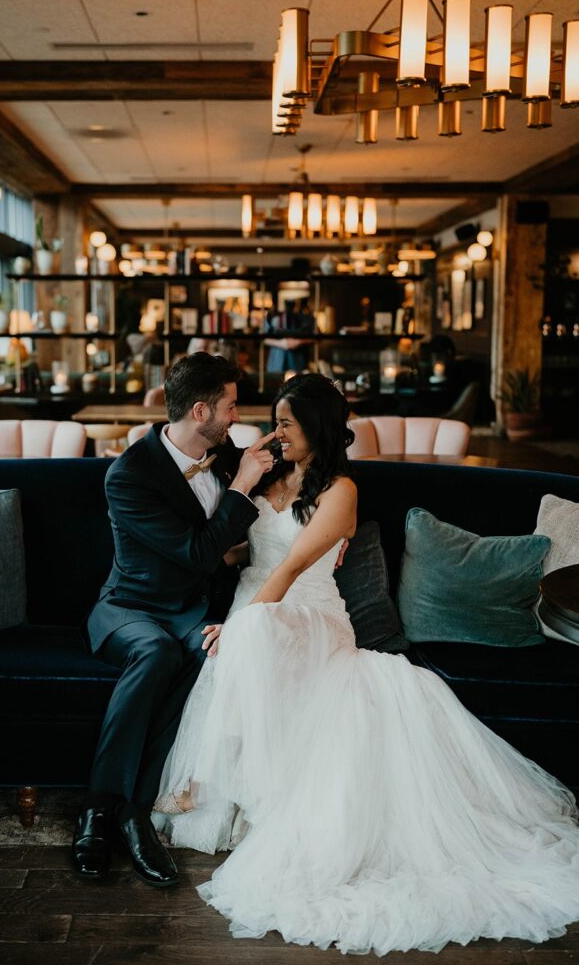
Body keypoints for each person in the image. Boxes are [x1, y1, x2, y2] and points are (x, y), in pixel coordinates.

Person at [153, 373, 579, 955]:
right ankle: (233, 782)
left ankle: (208, 779)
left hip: (306, 610)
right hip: (257, 604)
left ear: (316, 429)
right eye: (275, 422)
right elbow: (238, 552)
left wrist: (242, 623)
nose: (275, 432)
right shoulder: (267, 473)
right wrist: (237, 492)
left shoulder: (342, 491)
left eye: (285, 424)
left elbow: (290, 568)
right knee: (247, 639)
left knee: (248, 637)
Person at [71, 352, 276, 884]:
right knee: (157, 649)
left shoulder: (226, 452)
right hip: (129, 608)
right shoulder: (129, 475)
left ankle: (136, 813)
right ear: (202, 410)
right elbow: (196, 552)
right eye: (231, 407)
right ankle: (97, 809)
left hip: (191, 611)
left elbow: (288, 489)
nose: (236, 417)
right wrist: (239, 489)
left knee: (203, 651)